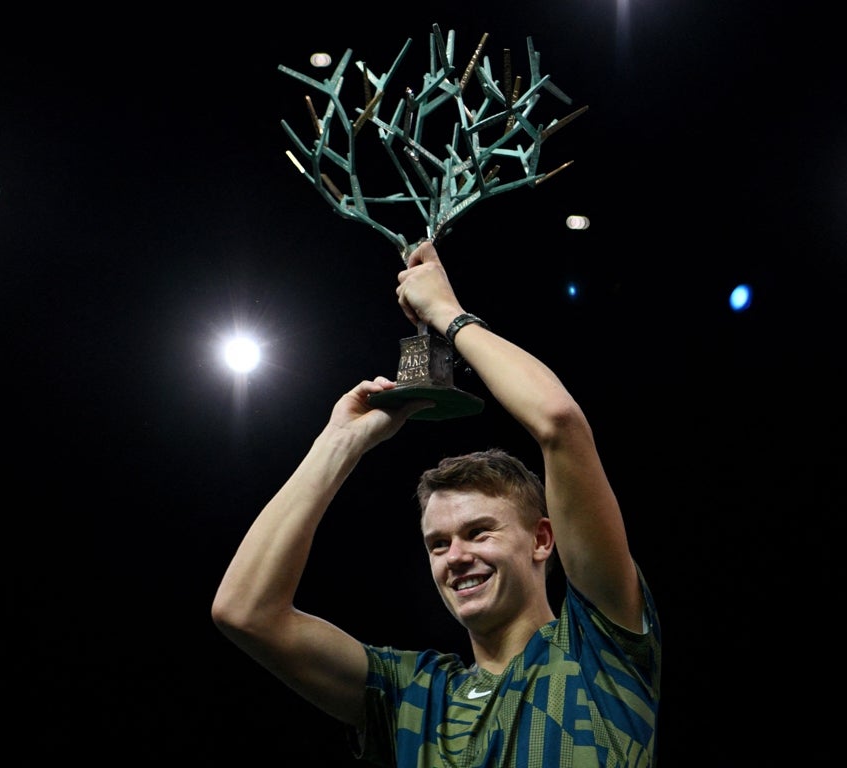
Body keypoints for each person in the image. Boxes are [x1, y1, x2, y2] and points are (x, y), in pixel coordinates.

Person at [211, 240, 660, 767]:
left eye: (478, 532)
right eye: (438, 543)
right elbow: (245, 612)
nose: (456, 556)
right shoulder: (412, 695)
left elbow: (558, 423)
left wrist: (448, 315)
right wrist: (337, 443)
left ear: (542, 539)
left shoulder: (598, 648)